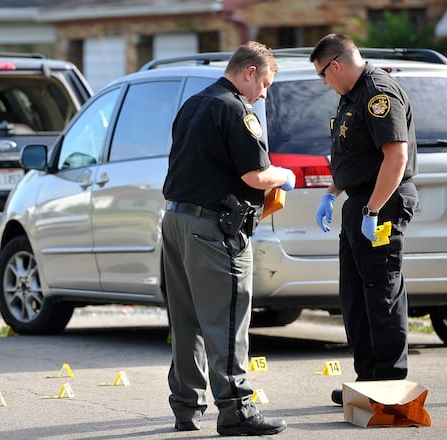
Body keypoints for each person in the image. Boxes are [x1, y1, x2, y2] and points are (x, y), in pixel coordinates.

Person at [162, 41, 295, 436]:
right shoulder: (237, 110)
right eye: (265, 83)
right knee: (228, 319)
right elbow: (255, 176)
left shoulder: (194, 104)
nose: (264, 93)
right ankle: (236, 409)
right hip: (213, 231)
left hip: (176, 223)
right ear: (249, 71)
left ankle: (186, 407)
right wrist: (284, 175)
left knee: (187, 322)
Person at [310, 34, 418, 405]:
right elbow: (353, 155)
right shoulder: (351, 96)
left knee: (380, 291)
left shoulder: (377, 93)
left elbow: (395, 158)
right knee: (355, 295)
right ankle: (367, 378)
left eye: (323, 75)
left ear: (335, 65)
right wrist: (331, 192)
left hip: (381, 203)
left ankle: (388, 381)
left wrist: (372, 209)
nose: (325, 83)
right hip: (359, 202)